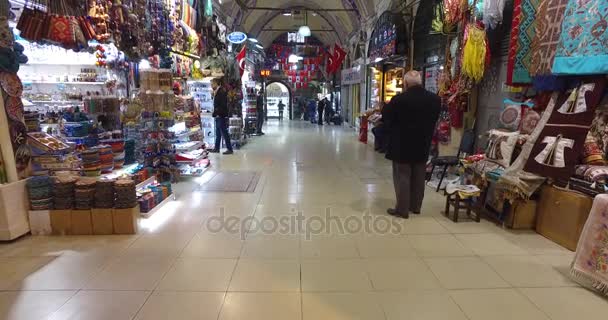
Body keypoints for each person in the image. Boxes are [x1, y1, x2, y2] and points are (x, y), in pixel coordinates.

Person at [384, 70, 440, 219]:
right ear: (420, 82)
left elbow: (387, 120)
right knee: (419, 177)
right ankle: (416, 207)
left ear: (406, 83)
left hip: (401, 146)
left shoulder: (398, 100)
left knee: (402, 176)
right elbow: (434, 119)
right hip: (422, 144)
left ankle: (402, 209)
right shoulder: (435, 99)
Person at [210, 78, 234, 155]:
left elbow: (222, 105)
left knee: (224, 132)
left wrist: (216, 112)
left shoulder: (221, 92)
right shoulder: (217, 91)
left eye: (212, 84)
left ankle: (229, 148)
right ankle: (217, 148)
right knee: (218, 132)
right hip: (218, 115)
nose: (211, 85)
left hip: (221, 115)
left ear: (216, 83)